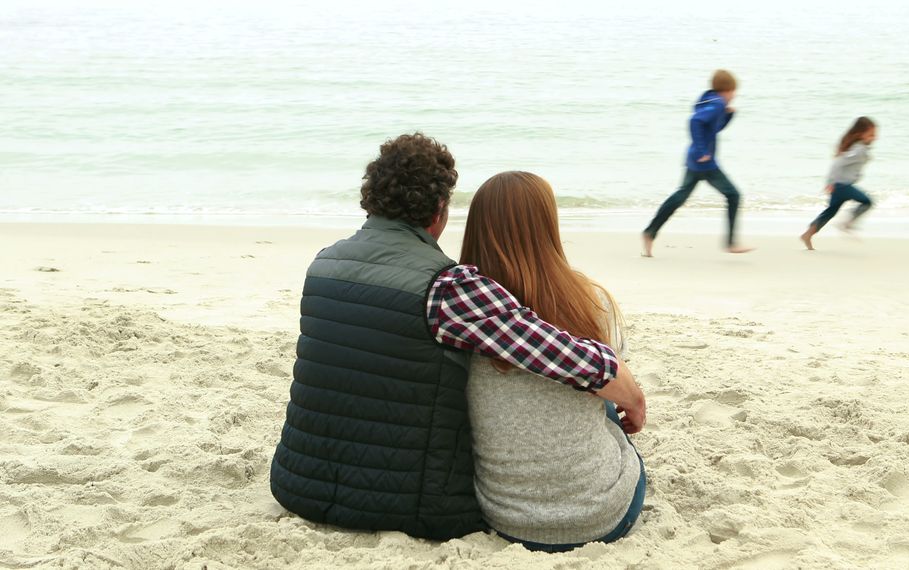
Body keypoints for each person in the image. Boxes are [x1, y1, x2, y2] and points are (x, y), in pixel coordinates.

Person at [269, 134, 645, 541]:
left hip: (298, 482)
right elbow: (565, 358)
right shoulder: (447, 288)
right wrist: (633, 396)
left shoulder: (324, 264)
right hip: (401, 502)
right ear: (439, 211)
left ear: (371, 199)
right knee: (601, 402)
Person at [460, 171, 647, 552]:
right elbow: (616, 378)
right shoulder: (592, 301)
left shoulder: (461, 316)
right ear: (548, 226)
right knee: (604, 403)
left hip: (505, 517)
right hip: (603, 515)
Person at [642, 69, 752, 256]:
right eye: (733, 92)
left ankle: (650, 232)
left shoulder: (710, 100)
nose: (734, 96)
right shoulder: (716, 104)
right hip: (704, 162)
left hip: (694, 159)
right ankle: (731, 243)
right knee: (733, 195)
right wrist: (703, 151)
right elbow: (695, 122)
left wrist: (728, 116)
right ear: (727, 90)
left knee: (680, 196)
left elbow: (713, 128)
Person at [800, 117, 878, 250]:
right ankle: (848, 223)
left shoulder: (859, 148)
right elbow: (838, 163)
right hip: (842, 185)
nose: (874, 138)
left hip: (839, 185)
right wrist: (830, 182)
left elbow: (844, 163)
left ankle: (808, 234)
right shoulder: (859, 149)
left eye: (875, 135)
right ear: (860, 134)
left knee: (830, 211)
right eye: (871, 134)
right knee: (867, 201)